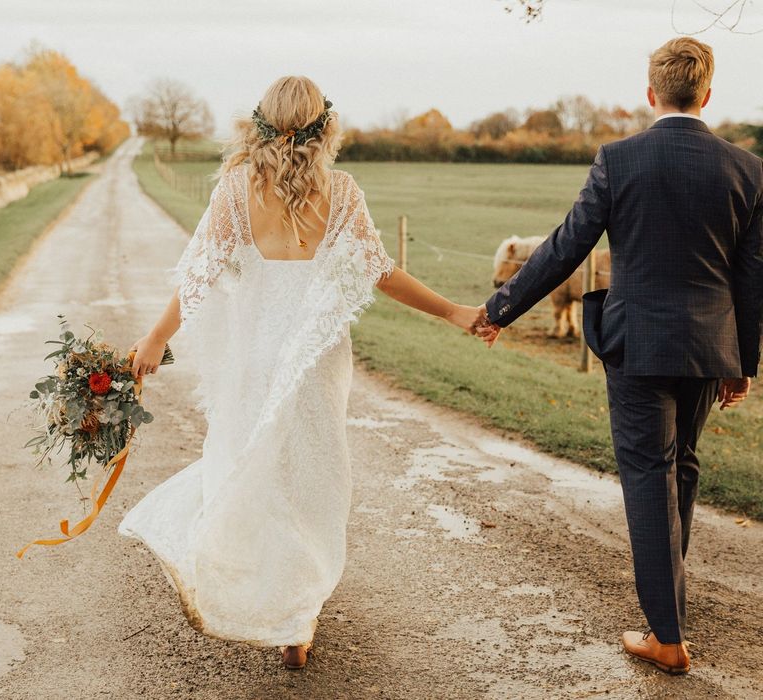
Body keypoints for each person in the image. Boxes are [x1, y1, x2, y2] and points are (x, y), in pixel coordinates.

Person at [120, 76, 481, 670]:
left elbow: (201, 277)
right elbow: (381, 273)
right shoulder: (341, 194)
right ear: (325, 128)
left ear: (257, 125)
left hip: (255, 358)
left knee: (251, 470)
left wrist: (156, 337)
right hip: (315, 362)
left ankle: (269, 597)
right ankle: (296, 620)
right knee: (311, 481)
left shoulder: (237, 191)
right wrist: (454, 312)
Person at [475, 37, 763, 674]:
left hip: (635, 344)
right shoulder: (746, 169)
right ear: (708, 94)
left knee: (647, 475)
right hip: (707, 349)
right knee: (680, 467)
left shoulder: (619, 158)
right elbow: (752, 276)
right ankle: (671, 613)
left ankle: (667, 635)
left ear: (651, 92)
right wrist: (742, 362)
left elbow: (564, 247)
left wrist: (500, 308)